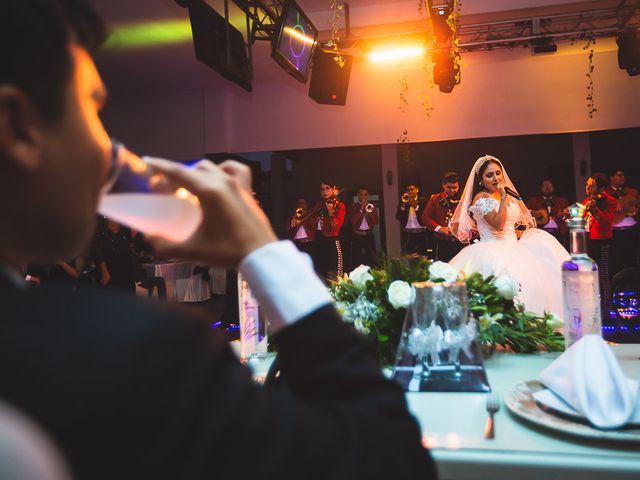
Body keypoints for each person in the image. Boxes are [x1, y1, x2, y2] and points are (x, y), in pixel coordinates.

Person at [0, 2, 436, 480]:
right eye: (93, 109)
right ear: (19, 128)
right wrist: (263, 250)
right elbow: (392, 458)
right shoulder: (141, 352)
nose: (113, 149)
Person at [449, 155, 569, 316]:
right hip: (491, 251)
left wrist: (520, 232)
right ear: (481, 181)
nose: (496, 178)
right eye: (489, 175)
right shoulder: (481, 198)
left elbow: (509, 226)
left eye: (498, 173)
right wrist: (504, 197)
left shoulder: (507, 196)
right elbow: (498, 224)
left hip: (514, 248)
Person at [584, 172, 618, 319]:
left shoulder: (609, 200)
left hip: (603, 241)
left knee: (603, 273)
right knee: (591, 273)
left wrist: (595, 211)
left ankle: (607, 308)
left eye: (591, 186)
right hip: (589, 239)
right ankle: (593, 304)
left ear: (601, 187)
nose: (588, 188)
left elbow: (607, 222)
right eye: (587, 185)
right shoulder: (587, 200)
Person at [422, 172, 464, 262]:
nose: (452, 190)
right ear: (443, 185)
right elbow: (425, 217)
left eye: (455, 187)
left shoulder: (463, 199)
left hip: (460, 241)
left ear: (458, 186)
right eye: (449, 187)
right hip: (442, 241)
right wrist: (440, 228)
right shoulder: (435, 199)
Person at [309, 181, 346, 279]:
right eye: (322, 189)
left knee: (335, 271)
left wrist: (330, 214)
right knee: (320, 269)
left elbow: (337, 226)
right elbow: (309, 218)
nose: (325, 191)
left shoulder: (339, 205)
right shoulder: (318, 205)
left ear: (333, 189)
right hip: (319, 239)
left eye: (327, 188)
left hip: (332, 239)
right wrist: (298, 220)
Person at [605, 169, 639, 275]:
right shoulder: (605, 193)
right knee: (615, 260)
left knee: (631, 258)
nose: (622, 177)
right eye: (619, 175)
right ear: (611, 177)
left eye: (623, 175)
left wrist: (633, 212)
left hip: (631, 231)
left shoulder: (632, 192)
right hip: (615, 233)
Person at [525, 179, 570, 249]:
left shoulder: (562, 201)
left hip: (559, 233)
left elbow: (569, 216)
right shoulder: (533, 201)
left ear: (554, 187)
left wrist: (562, 216)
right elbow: (523, 211)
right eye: (544, 186)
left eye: (549, 185)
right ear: (540, 188)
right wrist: (532, 212)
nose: (547, 187)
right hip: (540, 234)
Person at [348, 187, 379, 268]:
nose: (363, 197)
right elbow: (353, 221)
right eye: (361, 195)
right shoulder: (353, 206)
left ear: (368, 196)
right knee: (356, 259)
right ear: (358, 195)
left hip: (369, 235)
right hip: (357, 235)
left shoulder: (372, 206)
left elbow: (376, 222)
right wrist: (361, 210)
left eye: (365, 195)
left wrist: (369, 213)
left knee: (373, 258)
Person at [396, 184, 428, 255]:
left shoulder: (423, 201)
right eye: (408, 190)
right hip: (407, 235)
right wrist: (403, 205)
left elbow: (424, 214)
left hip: (421, 234)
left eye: (412, 189)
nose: (410, 192)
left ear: (417, 190)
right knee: (407, 256)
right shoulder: (403, 201)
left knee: (422, 256)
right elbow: (398, 217)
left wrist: (412, 201)